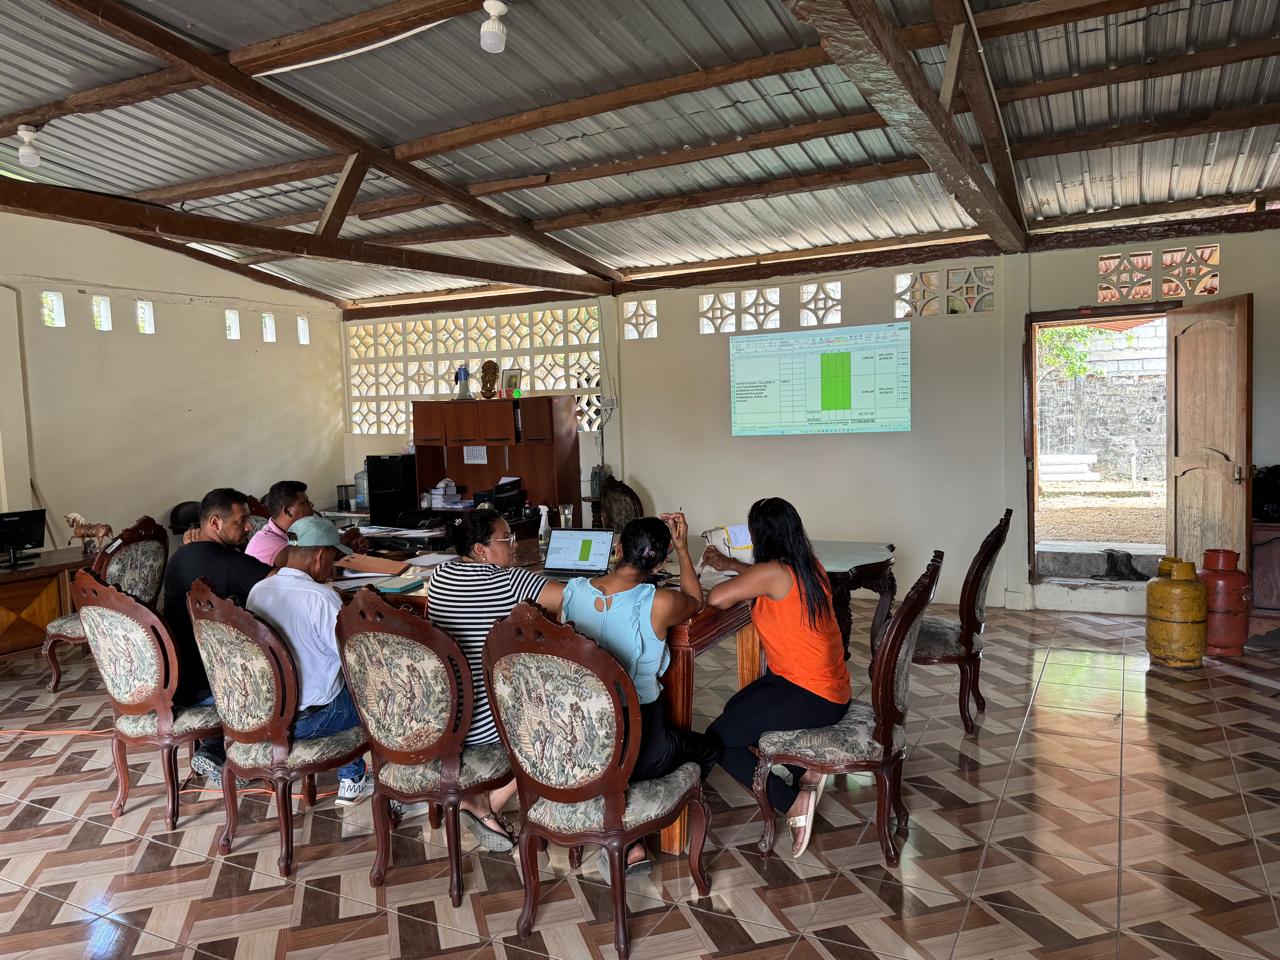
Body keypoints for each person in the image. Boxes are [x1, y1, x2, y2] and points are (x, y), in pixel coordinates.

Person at [560, 512, 720, 874]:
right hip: (642, 745)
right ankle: (639, 825)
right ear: (659, 563)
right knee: (710, 748)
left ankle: (618, 825)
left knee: (629, 753)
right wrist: (683, 548)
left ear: (617, 548)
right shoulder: (659, 602)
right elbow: (696, 600)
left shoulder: (572, 592)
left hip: (581, 739)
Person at [703, 497, 851, 859]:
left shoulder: (772, 573)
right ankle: (799, 767)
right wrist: (732, 565)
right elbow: (766, 578)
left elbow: (717, 598)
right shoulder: (807, 564)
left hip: (809, 695)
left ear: (761, 536)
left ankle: (791, 800)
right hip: (827, 688)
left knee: (717, 741)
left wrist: (730, 571)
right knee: (735, 707)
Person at [427, 510, 564, 852]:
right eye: (506, 539)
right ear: (480, 550)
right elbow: (569, 597)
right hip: (487, 724)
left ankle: (478, 802)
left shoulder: (440, 575)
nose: (514, 545)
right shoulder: (509, 581)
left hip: (447, 716)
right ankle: (488, 803)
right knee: (556, 724)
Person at [245, 516, 373, 805]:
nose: (332, 567)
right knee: (378, 691)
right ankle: (360, 780)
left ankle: (352, 776)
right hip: (314, 720)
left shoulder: (258, 590)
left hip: (266, 714)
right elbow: (354, 662)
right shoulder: (322, 598)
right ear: (320, 556)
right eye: (333, 560)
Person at [162, 488, 273, 786]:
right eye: (241, 521)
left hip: (178, 681)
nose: (248, 528)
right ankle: (240, 754)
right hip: (217, 687)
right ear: (215, 523)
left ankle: (214, 747)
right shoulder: (230, 563)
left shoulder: (179, 557)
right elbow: (282, 583)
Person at [245, 481, 367, 564]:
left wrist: (348, 549)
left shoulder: (296, 532)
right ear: (287, 511)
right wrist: (343, 541)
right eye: (304, 503)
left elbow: (319, 561)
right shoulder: (267, 543)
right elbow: (309, 565)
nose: (312, 505)